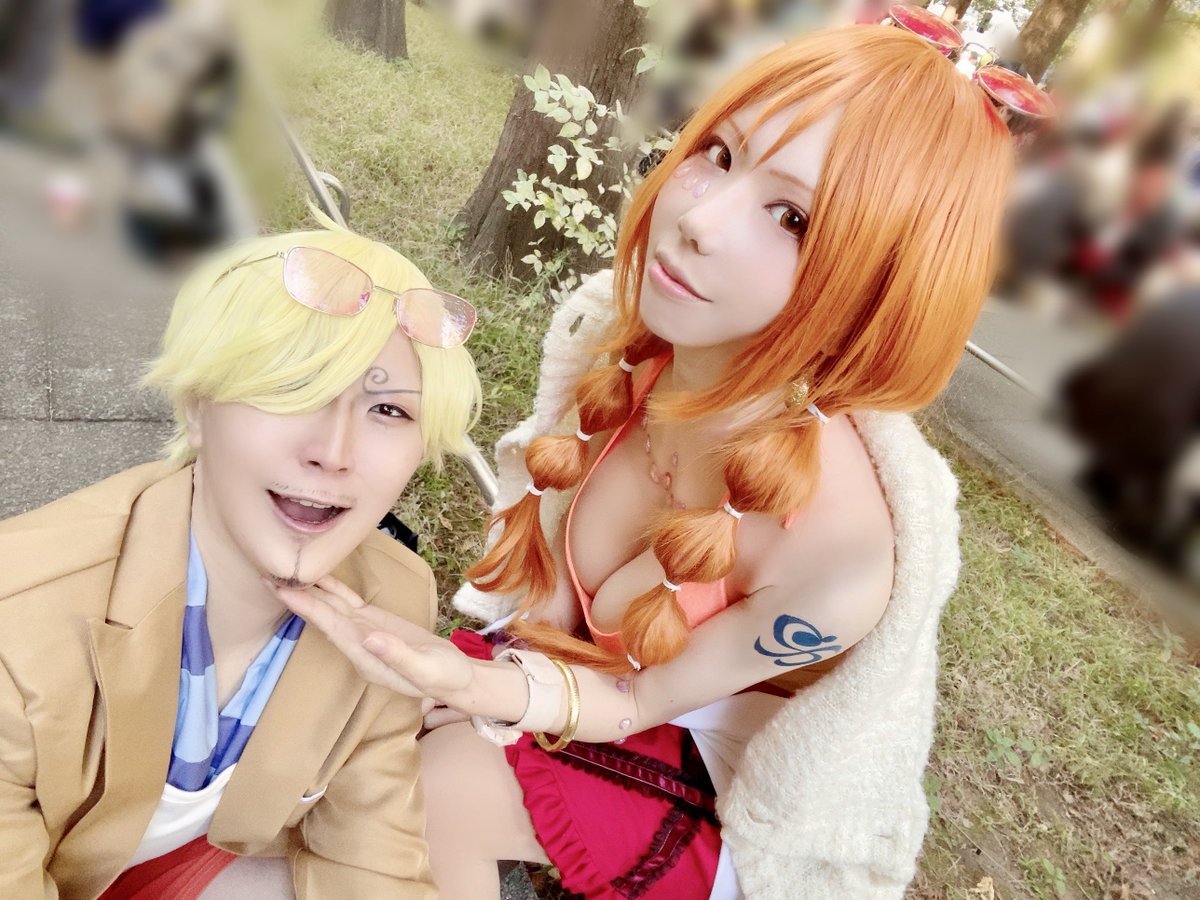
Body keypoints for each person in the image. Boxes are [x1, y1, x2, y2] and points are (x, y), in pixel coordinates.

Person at [276, 24, 1014, 899]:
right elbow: (549, 605)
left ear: (886, 286)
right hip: (582, 682)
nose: (698, 219)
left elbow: (636, 704)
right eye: (719, 153)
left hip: (721, 780)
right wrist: (480, 678)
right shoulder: (622, 348)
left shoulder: (840, 550)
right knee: (349, 730)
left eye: (793, 218)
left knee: (446, 789)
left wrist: (481, 689)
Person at [0, 213, 481, 898]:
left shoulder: (393, 597)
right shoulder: (19, 623)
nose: (333, 453)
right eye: (293, 389)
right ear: (198, 407)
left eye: (388, 411)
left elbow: (373, 856)